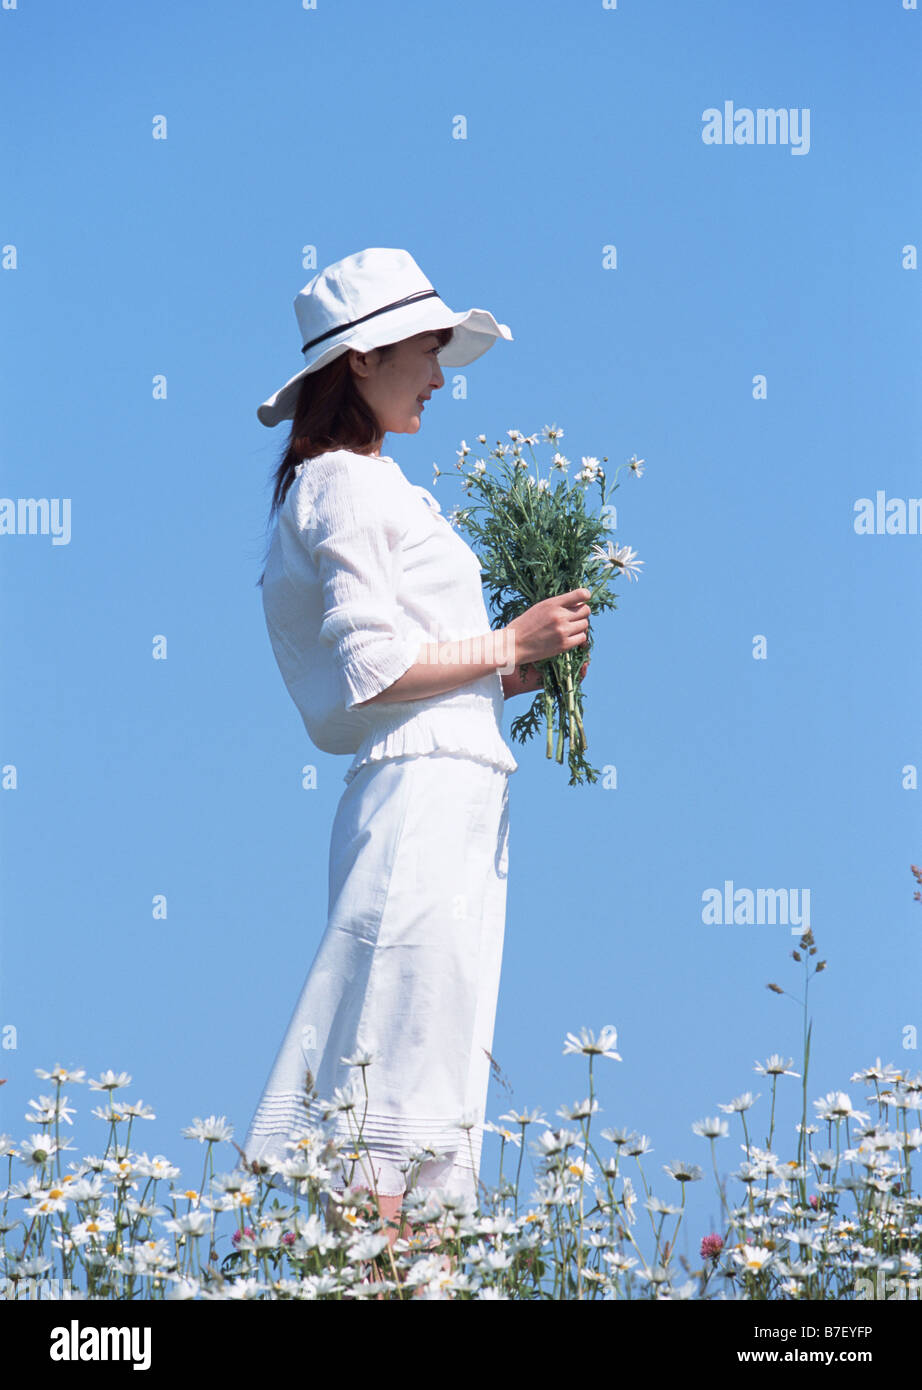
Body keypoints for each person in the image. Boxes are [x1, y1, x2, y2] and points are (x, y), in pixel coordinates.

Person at [242, 248, 590, 1261]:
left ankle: (411, 1272)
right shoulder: (341, 484)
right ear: (360, 360)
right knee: (393, 1049)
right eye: (428, 350)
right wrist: (505, 644)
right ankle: (377, 1270)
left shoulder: (374, 481)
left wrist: (512, 673)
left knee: (435, 1055)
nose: (441, 374)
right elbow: (368, 671)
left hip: (456, 788)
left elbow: (403, 667)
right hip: (419, 796)